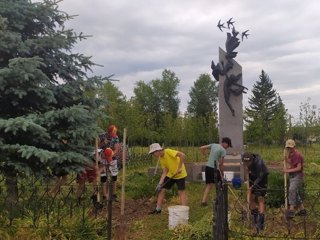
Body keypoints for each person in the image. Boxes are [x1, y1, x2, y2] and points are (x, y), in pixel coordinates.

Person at [148, 143, 187, 214]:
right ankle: (158, 209)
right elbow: (165, 171)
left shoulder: (168, 151)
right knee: (161, 190)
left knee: (181, 192)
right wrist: (160, 184)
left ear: (158, 150)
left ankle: (184, 210)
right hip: (171, 174)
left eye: (153, 153)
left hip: (180, 174)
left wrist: (180, 167)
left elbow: (182, 155)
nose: (153, 155)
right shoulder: (161, 158)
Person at [199, 137, 232, 206]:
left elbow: (201, 148)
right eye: (228, 146)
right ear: (225, 143)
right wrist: (222, 174)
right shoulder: (223, 150)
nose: (227, 147)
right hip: (214, 169)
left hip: (207, 167)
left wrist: (204, 154)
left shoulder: (213, 145)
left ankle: (203, 201)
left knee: (209, 185)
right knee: (220, 185)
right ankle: (219, 200)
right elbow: (221, 164)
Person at [242, 152, 269, 231]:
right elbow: (245, 172)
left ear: (252, 160)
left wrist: (253, 186)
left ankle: (261, 222)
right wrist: (247, 179)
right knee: (251, 198)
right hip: (252, 175)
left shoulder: (259, 164)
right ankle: (255, 217)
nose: (246, 164)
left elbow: (260, 176)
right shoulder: (244, 158)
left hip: (262, 177)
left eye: (248, 162)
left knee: (260, 198)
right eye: (245, 162)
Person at [283, 139, 306, 218]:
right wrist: (286, 160)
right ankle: (303, 211)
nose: (289, 149)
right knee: (295, 193)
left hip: (297, 175)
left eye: (291, 147)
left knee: (292, 190)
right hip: (292, 175)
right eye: (288, 148)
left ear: (294, 147)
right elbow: (292, 163)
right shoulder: (290, 154)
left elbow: (299, 168)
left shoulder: (297, 155)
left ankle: (291, 210)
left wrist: (287, 170)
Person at [99, 124, 120, 201]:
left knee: (114, 176)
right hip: (103, 158)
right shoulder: (102, 136)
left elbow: (117, 149)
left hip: (112, 158)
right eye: (112, 133)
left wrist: (111, 154)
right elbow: (98, 146)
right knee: (103, 176)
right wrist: (103, 143)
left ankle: (114, 195)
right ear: (109, 132)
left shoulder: (116, 138)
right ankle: (104, 196)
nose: (113, 135)